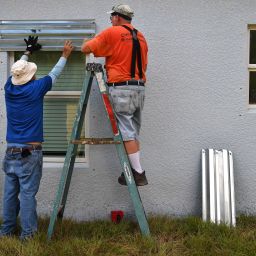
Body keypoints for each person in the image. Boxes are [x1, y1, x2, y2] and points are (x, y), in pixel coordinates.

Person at [0, 36, 74, 240]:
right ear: (30, 77)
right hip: (29, 153)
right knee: (27, 195)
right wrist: (65, 55)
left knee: (9, 194)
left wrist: (27, 51)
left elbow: (18, 71)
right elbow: (54, 73)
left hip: (11, 151)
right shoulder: (35, 89)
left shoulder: (9, 88)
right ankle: (28, 236)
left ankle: (6, 232)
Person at [81, 4, 148, 186]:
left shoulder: (112, 32)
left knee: (126, 133)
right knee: (132, 133)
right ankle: (134, 170)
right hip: (139, 87)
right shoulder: (140, 36)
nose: (110, 20)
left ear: (118, 17)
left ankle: (139, 173)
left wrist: (90, 41)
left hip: (122, 88)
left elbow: (86, 48)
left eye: (111, 17)